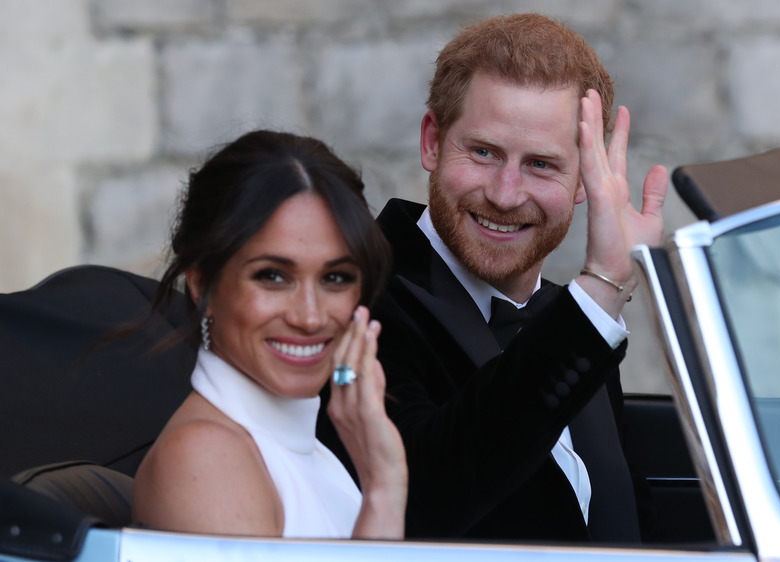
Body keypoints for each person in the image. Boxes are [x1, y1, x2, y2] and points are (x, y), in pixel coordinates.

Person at [318, 13, 668, 542]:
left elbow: (619, 517)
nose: (505, 194)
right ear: (433, 142)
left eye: (542, 165)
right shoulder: (355, 294)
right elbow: (420, 498)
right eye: (483, 152)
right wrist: (601, 289)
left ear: (583, 180)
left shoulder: (567, 316)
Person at [132, 130, 407, 539]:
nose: (310, 317)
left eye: (335, 277)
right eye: (273, 276)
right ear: (201, 282)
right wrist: (384, 491)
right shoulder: (205, 458)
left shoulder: (309, 451)